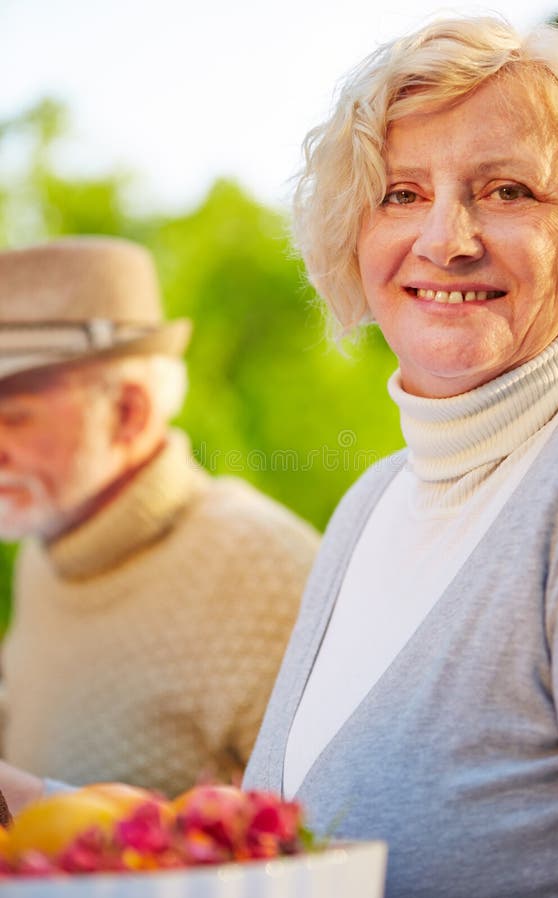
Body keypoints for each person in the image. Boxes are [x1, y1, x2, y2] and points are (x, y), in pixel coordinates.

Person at [244, 15, 558, 898]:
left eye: (509, 190)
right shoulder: (374, 502)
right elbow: (280, 853)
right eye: (400, 193)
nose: (447, 239)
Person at [0, 236, 319, 800]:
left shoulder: (268, 572)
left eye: (15, 418)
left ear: (128, 412)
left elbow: (329, 843)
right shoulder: (45, 552)